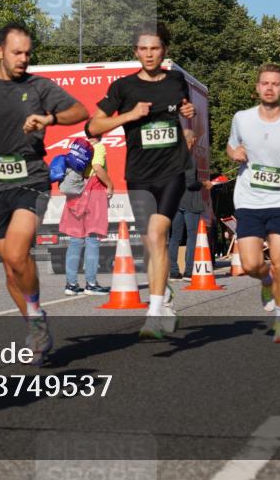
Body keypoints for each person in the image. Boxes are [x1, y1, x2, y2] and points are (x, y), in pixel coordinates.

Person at [0, 23, 88, 362]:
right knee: (11, 270)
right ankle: (35, 324)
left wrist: (49, 119)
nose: (24, 59)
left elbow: (80, 111)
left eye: (28, 53)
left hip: (32, 179)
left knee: (17, 254)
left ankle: (36, 316)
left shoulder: (38, 87)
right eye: (17, 52)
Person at [88, 22, 195, 340]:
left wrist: (188, 118)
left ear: (165, 51)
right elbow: (93, 127)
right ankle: (165, 295)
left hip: (172, 170)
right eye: (144, 48)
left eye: (155, 48)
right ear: (136, 51)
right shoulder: (123, 88)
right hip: (138, 174)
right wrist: (129, 115)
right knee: (151, 244)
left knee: (157, 233)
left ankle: (154, 312)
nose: (149, 54)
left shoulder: (176, 81)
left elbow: (186, 117)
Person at [226, 63, 280, 344]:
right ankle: (265, 282)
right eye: (265, 83)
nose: (269, 88)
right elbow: (231, 146)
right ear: (257, 87)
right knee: (251, 264)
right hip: (248, 200)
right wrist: (234, 153)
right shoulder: (242, 118)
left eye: (275, 84)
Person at [60, 124, 113, 296]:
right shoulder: (99, 147)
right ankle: (91, 284)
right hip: (93, 194)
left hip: (76, 195)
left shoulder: (78, 147)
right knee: (92, 240)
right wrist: (110, 185)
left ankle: (71, 284)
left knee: (75, 240)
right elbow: (97, 168)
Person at [167, 132, 211, 282]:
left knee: (175, 237)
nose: (195, 139)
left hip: (175, 201)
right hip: (190, 201)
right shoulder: (189, 159)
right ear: (191, 140)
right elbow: (191, 183)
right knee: (192, 236)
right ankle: (188, 272)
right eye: (194, 138)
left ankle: (173, 272)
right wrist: (204, 184)